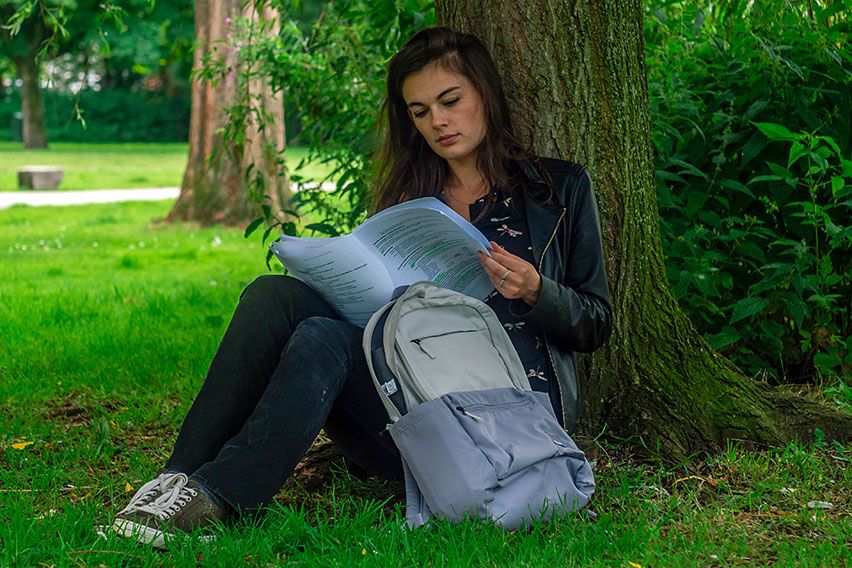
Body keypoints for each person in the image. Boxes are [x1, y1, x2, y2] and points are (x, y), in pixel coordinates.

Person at [111, 26, 612, 547]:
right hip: (408, 398)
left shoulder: (557, 189)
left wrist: (535, 290)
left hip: (499, 428)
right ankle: (169, 484)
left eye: (450, 101)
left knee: (323, 339)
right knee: (273, 295)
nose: (437, 122)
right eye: (419, 111)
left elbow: (595, 323)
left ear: (485, 93)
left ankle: (218, 499)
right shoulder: (412, 197)